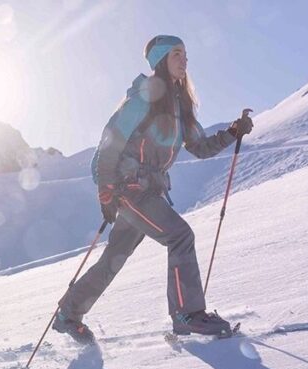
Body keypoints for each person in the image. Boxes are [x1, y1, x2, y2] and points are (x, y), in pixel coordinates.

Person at [54, 34, 253, 343]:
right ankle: (187, 314)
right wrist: (106, 190)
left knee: (114, 258)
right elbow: (111, 142)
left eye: (186, 54)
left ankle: (68, 313)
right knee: (180, 235)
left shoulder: (180, 105)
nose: (185, 60)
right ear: (161, 60)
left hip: (149, 190)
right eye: (177, 54)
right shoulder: (143, 98)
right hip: (129, 189)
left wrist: (231, 133)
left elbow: (199, 147)